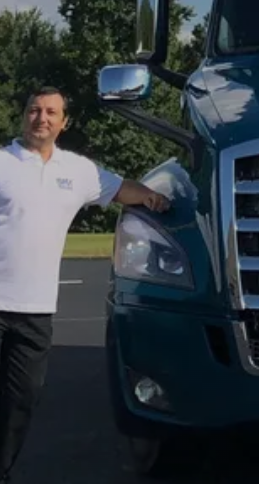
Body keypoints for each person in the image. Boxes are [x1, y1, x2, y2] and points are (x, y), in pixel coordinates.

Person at [0, 86, 171, 482]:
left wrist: (151, 197)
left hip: (35, 312)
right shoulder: (4, 162)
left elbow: (120, 189)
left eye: (50, 112)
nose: (41, 118)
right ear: (23, 116)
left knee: (21, 401)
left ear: (64, 122)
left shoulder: (76, 171)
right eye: (34, 110)